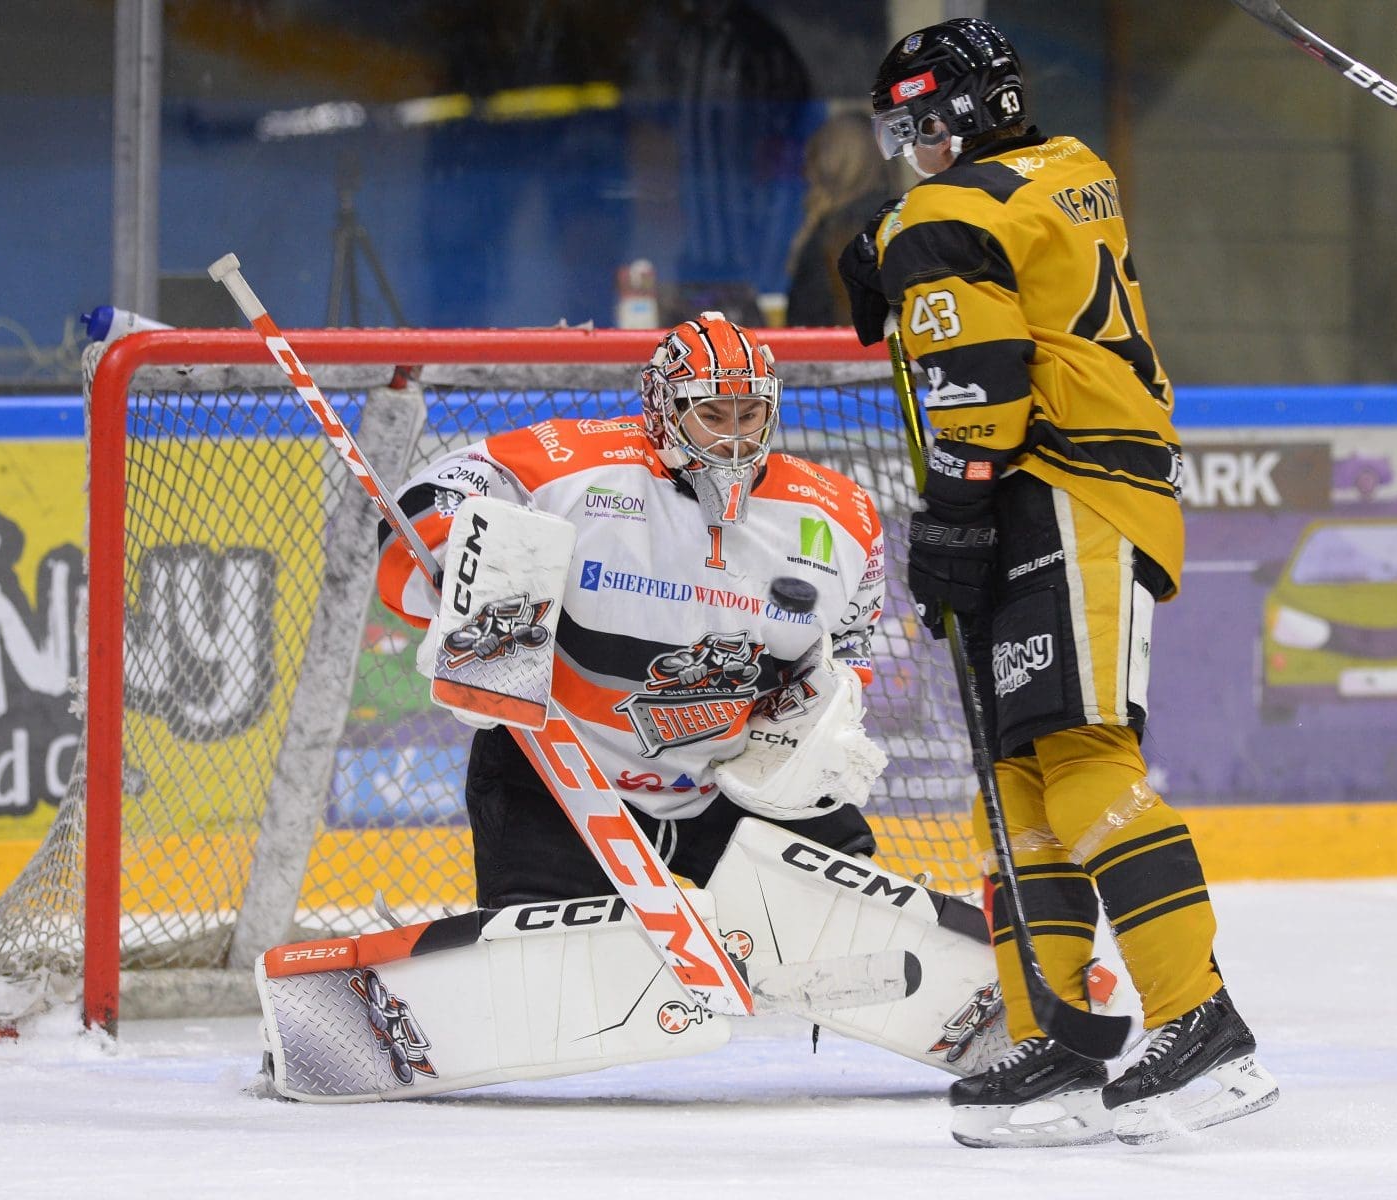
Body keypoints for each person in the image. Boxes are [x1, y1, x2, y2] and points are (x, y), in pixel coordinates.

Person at [839, 18, 1280, 1147]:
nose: (920, 149)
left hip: (1060, 493)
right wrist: (899, 235)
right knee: (1023, 787)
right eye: (904, 132)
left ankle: (1200, 1023)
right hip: (1075, 489)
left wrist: (952, 510)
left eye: (930, 123)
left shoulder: (943, 217)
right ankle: (1058, 1044)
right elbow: (1003, 240)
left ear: (978, 111)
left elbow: (977, 380)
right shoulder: (1074, 167)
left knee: (1080, 758)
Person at [376, 312, 886, 906]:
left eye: (750, 414)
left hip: (733, 775)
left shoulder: (840, 514)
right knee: (556, 977)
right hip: (559, 774)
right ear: (665, 411)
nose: (737, 438)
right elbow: (420, 506)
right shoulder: (574, 463)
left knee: (844, 917)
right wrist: (461, 579)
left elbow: (850, 639)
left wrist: (823, 702)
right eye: (713, 415)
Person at [784, 113, 896, 327]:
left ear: (827, 167)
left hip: (839, 355)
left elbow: (808, 319)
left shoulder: (837, 233)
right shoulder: (902, 216)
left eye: (812, 161)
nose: (806, 173)